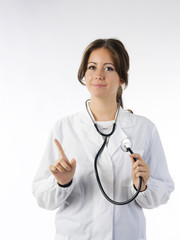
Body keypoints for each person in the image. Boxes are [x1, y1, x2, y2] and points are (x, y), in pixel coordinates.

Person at [32, 38, 174, 240]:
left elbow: (163, 191)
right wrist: (63, 183)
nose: (98, 75)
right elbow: (41, 196)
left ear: (122, 78)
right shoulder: (63, 129)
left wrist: (141, 186)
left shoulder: (144, 129)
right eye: (92, 67)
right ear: (84, 74)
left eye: (108, 68)